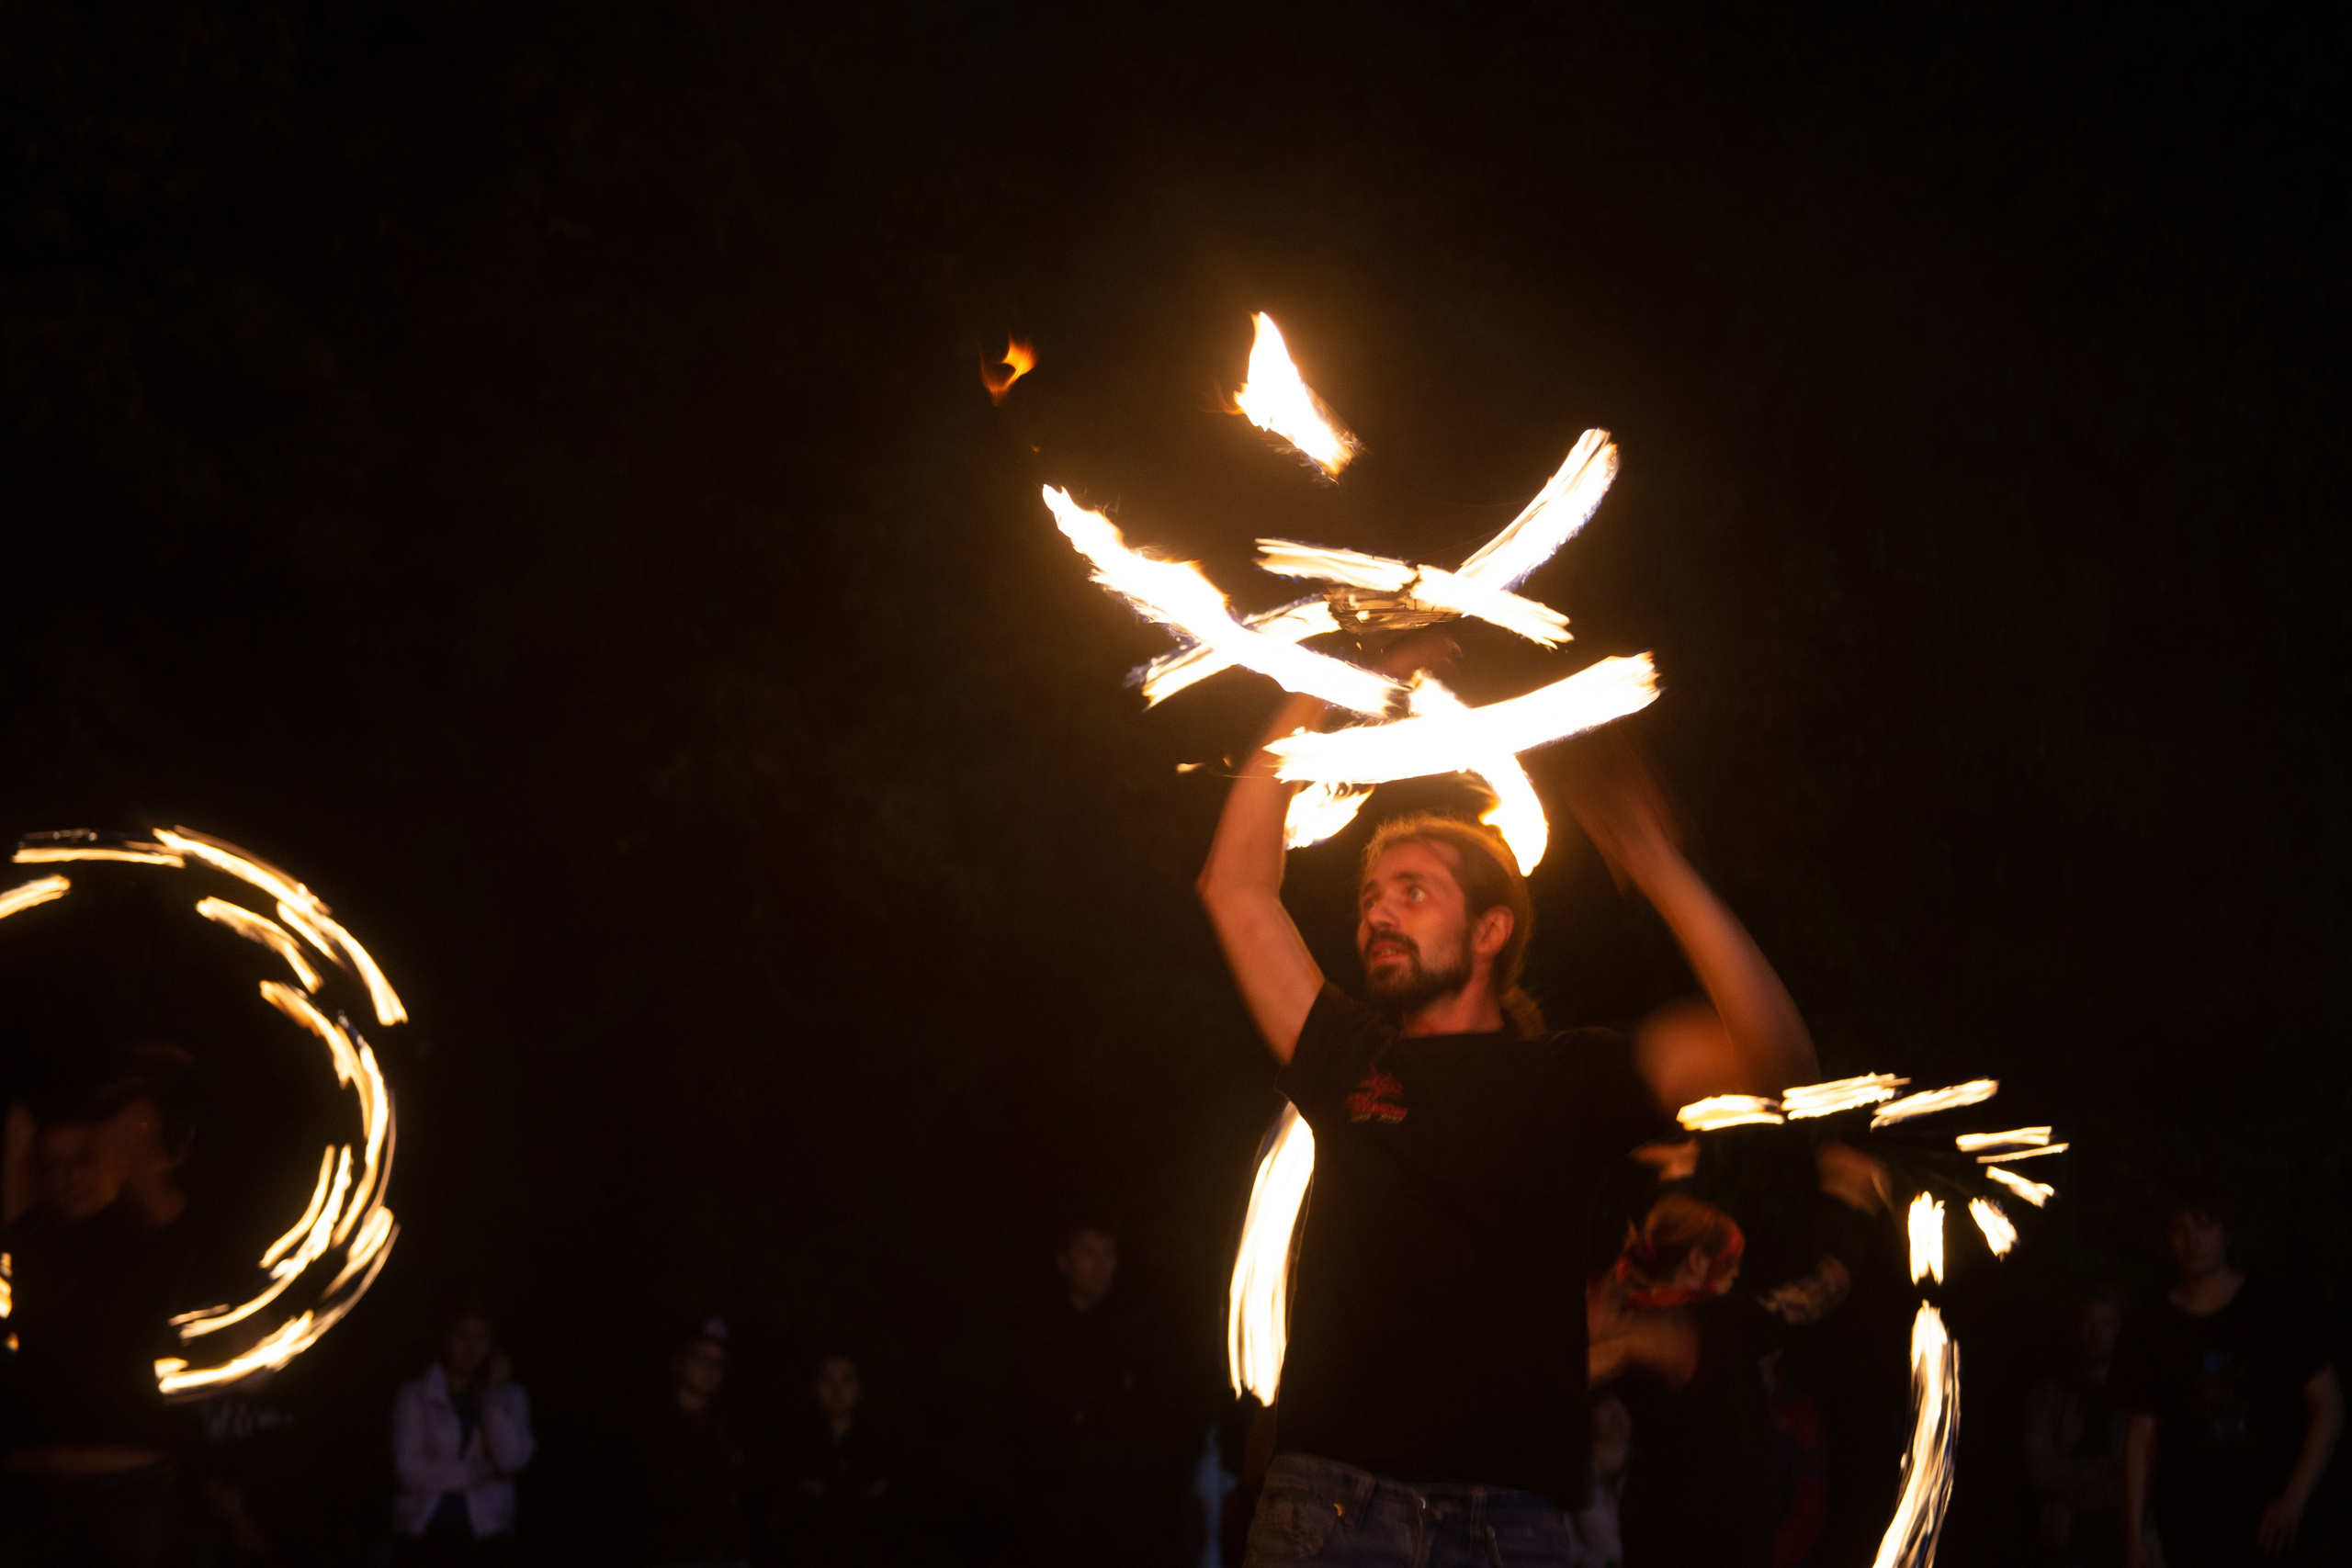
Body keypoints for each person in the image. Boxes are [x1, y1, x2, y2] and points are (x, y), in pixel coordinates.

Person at [1195, 660, 1818, 1568]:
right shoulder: (1344, 1057)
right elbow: (1233, 885)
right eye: (1370, 897)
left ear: (1489, 931)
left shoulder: (1573, 1078)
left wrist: (1654, 863)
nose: (1376, 915)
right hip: (1326, 1511)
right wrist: (1319, 679)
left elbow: (1776, 1058)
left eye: (1412, 892)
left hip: (1511, 1528)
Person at [1, 1051, 199, 1568]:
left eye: (84, 1158)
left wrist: (128, 1081)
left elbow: (136, 1126)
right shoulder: (28, 1243)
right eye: (54, 1165)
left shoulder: (155, 1239)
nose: (69, 1176)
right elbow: (19, 1133)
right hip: (31, 1490)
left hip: (127, 1490)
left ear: (115, 1156)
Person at [2119, 1195, 2342, 1568]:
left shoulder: (2274, 1307)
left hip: (2270, 1529)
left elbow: (2329, 1405)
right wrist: (2135, 1536)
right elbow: (2141, 1435)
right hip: (2189, 1530)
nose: (2192, 1241)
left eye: (2204, 1226)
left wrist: (2295, 1497)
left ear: (2227, 1231)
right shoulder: (2152, 1325)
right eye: (2179, 1229)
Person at [1014, 1221, 1183, 1566]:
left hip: (1117, 1503)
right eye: (1088, 1254)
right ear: (1063, 1261)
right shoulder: (1039, 1332)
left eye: (1108, 1254)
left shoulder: (1132, 1332)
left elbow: (1152, 1412)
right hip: (1052, 1501)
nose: (1100, 1266)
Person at [390, 1308, 535, 1568]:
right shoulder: (416, 1395)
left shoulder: (510, 1396)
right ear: (446, 1339)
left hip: (489, 1535)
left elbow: (512, 1460)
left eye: (480, 1338)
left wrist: (492, 1399)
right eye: (461, 1336)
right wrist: (478, 1472)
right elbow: (408, 1470)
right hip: (424, 1532)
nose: (470, 1348)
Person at [2027, 1285, 2133, 1568]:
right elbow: (2040, 1471)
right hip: (2065, 1542)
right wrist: (2104, 1473)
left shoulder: (2135, 1396)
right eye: (2089, 1322)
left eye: (2107, 1323)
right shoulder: (2051, 1394)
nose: (2096, 1333)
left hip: (2126, 1542)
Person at [636, 1320, 750, 1568]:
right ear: (678, 1363)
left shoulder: (731, 1426)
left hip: (726, 1556)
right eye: (701, 1358)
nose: (711, 1369)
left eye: (719, 1363)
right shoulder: (652, 1424)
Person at [775, 1353, 902, 1566]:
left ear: (860, 1389)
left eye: (846, 1380)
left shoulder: (879, 1446)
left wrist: (829, 1494)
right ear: (813, 1388)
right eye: (827, 1379)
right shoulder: (795, 1444)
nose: (837, 1389)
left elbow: (882, 1512)